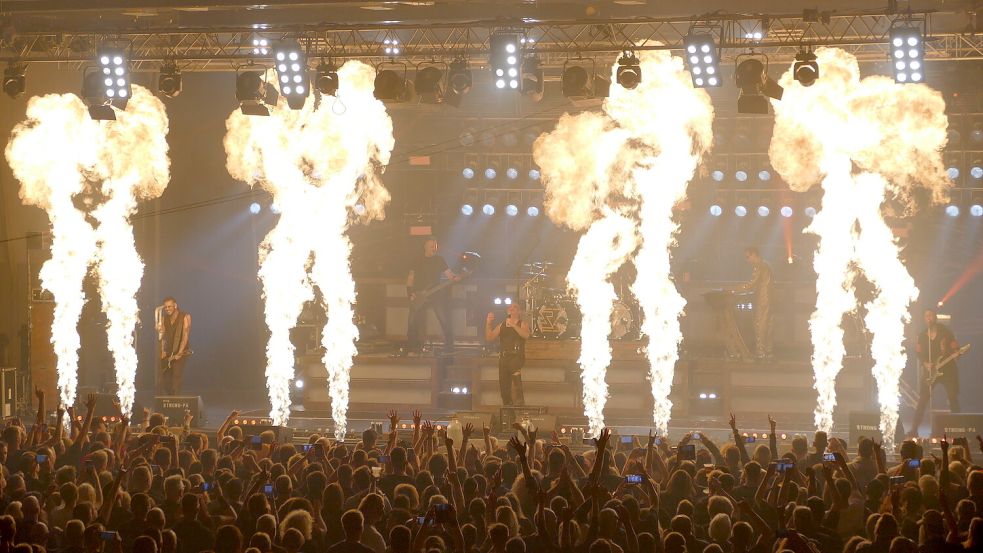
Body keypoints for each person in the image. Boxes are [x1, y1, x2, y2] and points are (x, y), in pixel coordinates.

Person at [909, 309, 962, 436]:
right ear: (924, 318)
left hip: (947, 369)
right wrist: (925, 364)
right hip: (931, 371)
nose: (929, 318)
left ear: (935, 317)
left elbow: (955, 346)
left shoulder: (946, 332)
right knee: (922, 399)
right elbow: (918, 353)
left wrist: (956, 352)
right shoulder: (922, 336)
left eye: (931, 316)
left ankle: (960, 428)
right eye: (926, 316)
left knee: (952, 397)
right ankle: (914, 429)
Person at [405, 238, 461, 355]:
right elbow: (411, 277)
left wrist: (456, 277)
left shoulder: (439, 259)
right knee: (412, 320)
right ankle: (412, 347)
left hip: (435, 292)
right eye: (431, 246)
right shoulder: (417, 260)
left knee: (443, 318)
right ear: (425, 246)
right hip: (419, 293)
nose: (434, 248)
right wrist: (410, 292)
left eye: (435, 246)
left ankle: (449, 347)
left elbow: (449, 274)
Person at [485, 304, 530, 406]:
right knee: (504, 387)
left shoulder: (522, 324)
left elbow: (526, 335)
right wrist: (488, 323)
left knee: (515, 384)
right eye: (510, 308)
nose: (512, 309)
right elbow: (489, 337)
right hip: (504, 357)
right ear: (508, 311)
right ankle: (507, 410)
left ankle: (519, 406)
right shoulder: (502, 325)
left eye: (514, 307)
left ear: (519, 311)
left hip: (516, 356)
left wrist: (514, 325)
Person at [738, 246, 773, 359]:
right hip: (769, 299)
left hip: (763, 299)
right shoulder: (767, 264)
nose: (747, 260)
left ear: (754, 255)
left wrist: (738, 289)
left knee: (760, 324)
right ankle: (768, 351)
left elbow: (752, 283)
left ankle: (760, 352)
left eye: (748, 257)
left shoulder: (759, 266)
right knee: (768, 325)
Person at [155, 297, 192, 395]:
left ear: (175, 306)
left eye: (169, 306)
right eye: (166, 307)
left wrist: (179, 352)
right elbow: (162, 337)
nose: (167, 309)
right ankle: (169, 400)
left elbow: (185, 335)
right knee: (165, 379)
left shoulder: (185, 316)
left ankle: (176, 401)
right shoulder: (164, 319)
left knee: (176, 376)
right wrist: (162, 351)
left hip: (181, 351)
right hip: (169, 352)